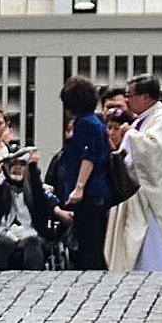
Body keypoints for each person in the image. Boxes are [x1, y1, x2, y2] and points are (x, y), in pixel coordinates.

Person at [104, 75, 162, 272]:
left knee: (155, 253)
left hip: (157, 203)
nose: (127, 100)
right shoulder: (146, 120)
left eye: (130, 95)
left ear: (146, 97)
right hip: (141, 198)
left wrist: (130, 134)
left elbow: (155, 151)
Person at [57, 76, 111, 270]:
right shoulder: (93, 122)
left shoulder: (85, 124)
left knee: (89, 243)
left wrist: (79, 187)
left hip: (90, 192)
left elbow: (89, 156)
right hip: (94, 191)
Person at [0, 148, 53, 269]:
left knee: (33, 243)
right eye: (13, 164)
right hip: (1, 233)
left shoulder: (35, 192)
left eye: (22, 164)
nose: (17, 167)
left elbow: (40, 196)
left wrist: (32, 167)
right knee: (4, 242)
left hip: (30, 233)